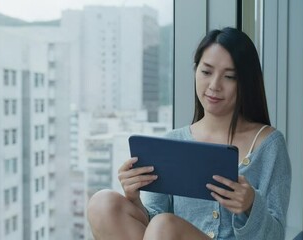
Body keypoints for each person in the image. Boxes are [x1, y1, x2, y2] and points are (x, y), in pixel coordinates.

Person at [87, 26, 291, 240]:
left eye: (229, 76)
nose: (214, 85)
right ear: (195, 72)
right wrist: (133, 197)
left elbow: (276, 235)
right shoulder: (172, 142)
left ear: (245, 83)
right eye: (206, 72)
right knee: (102, 204)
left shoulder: (269, 144)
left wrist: (250, 205)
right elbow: (151, 223)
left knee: (164, 225)